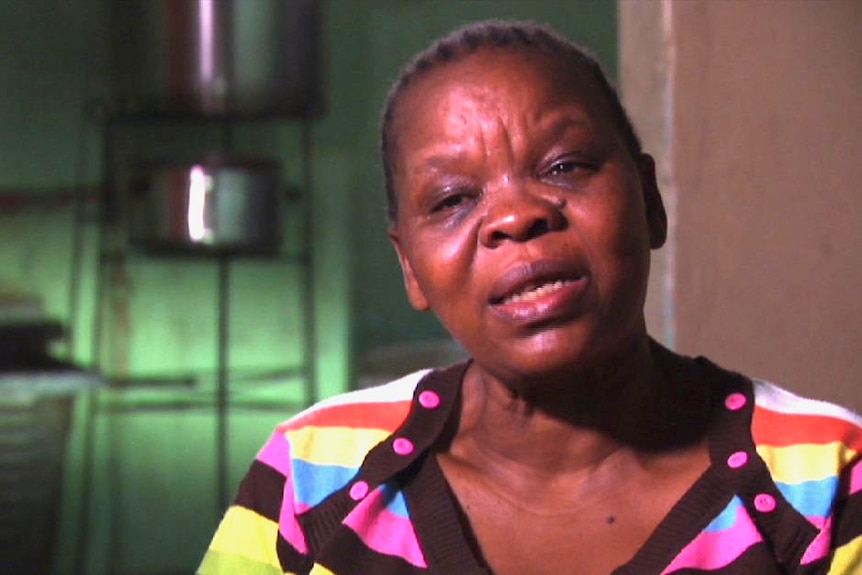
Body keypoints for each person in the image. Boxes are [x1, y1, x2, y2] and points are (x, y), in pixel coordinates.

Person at [198, 20, 862, 575]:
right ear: (412, 268)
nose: (516, 216)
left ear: (650, 202)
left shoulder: (826, 485)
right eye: (454, 199)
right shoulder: (311, 477)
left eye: (565, 166)